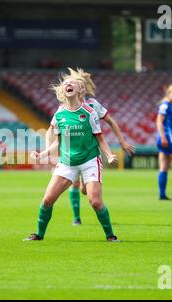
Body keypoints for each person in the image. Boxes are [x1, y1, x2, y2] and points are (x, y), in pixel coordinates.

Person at [25, 71, 119, 242]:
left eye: (72, 83)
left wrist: (109, 155)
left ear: (79, 90)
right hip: (67, 162)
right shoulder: (59, 115)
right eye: (66, 83)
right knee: (47, 200)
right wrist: (43, 154)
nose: (69, 84)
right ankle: (39, 235)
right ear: (63, 90)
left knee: (95, 202)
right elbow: (59, 142)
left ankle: (111, 236)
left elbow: (100, 139)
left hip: (90, 161)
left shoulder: (89, 112)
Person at [45, 68, 135, 225]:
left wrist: (122, 142)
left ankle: (87, 188)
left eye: (79, 83)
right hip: (72, 152)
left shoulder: (93, 105)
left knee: (87, 190)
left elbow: (111, 122)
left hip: (90, 151)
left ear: (83, 87)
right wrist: (48, 150)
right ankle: (76, 218)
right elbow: (52, 132)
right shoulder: (64, 108)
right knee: (74, 182)